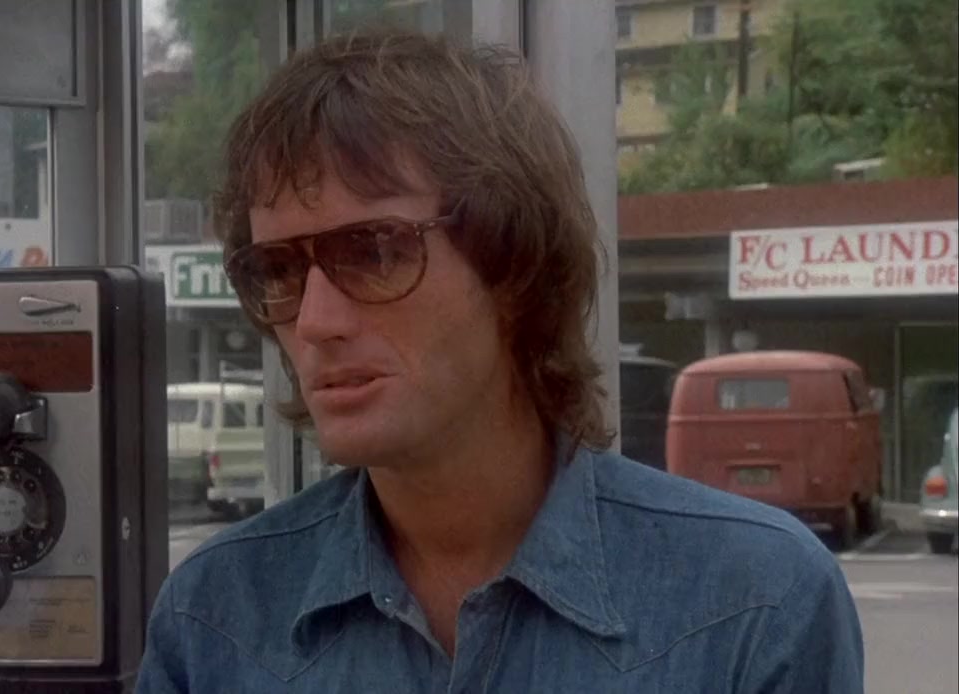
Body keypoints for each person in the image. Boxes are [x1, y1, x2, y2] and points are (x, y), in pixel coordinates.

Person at [136, 31, 863, 693]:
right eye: (279, 270)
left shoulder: (751, 605)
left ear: (512, 265)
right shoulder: (215, 619)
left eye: (375, 252)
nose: (316, 321)